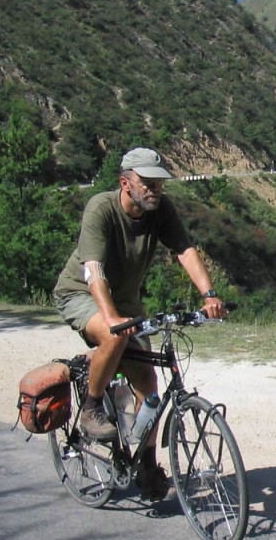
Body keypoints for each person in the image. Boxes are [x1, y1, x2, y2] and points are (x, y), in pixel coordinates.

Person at [53, 147, 226, 500]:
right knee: (111, 337)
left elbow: (184, 250)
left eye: (159, 184)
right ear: (125, 182)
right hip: (81, 293)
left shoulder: (161, 210)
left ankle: (146, 463)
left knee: (148, 383)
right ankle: (91, 407)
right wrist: (111, 317)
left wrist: (209, 294)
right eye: (146, 183)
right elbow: (93, 270)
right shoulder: (101, 208)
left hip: (125, 303)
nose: (154, 190)